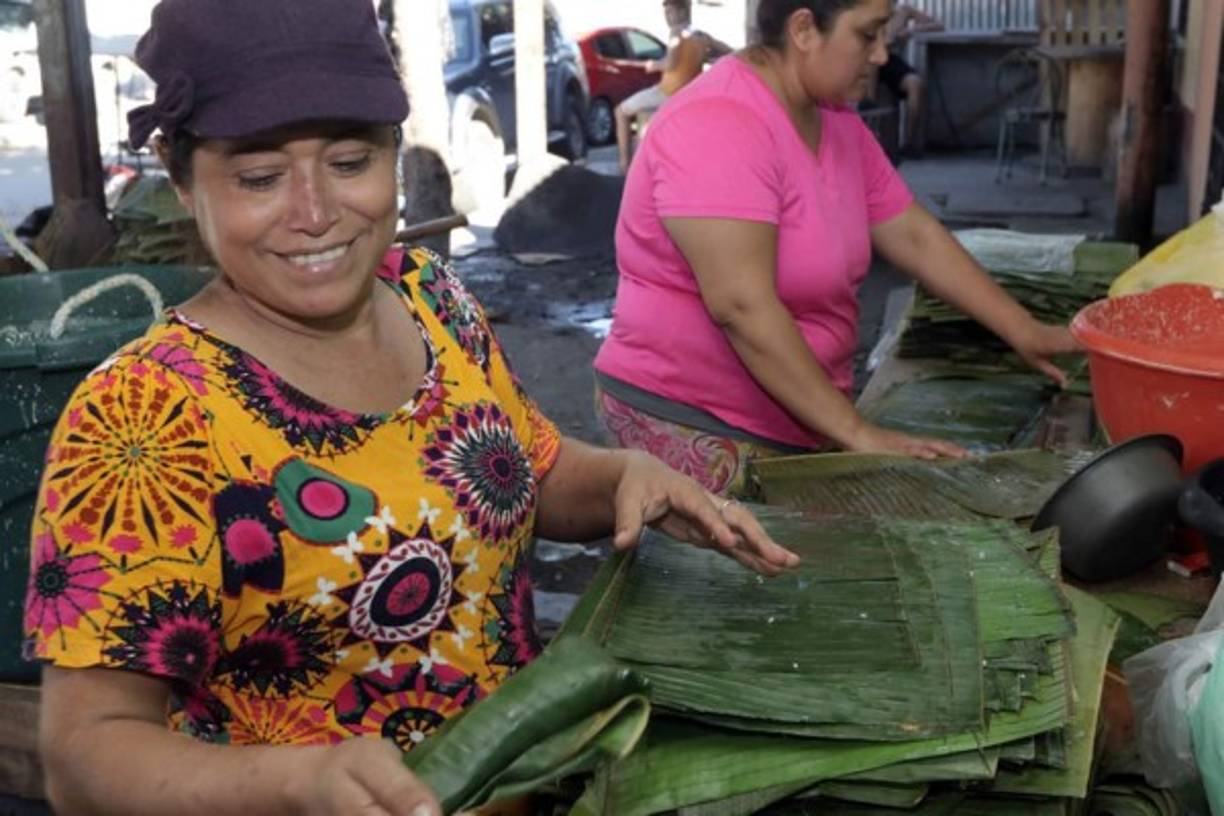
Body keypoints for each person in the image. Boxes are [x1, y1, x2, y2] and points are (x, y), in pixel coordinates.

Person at [22, 1, 798, 814]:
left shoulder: (429, 296)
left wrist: (623, 479)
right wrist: (299, 783)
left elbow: (526, 472)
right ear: (182, 182)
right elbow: (84, 755)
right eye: (258, 177)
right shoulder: (143, 414)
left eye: (351, 162)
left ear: (394, 152)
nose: (316, 213)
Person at [592, 0, 1079, 497]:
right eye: (868, 35)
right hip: (695, 419)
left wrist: (1025, 330)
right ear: (804, 30)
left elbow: (912, 233)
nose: (882, 55)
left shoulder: (836, 122)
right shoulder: (718, 124)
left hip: (802, 416)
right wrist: (857, 432)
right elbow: (741, 306)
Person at [615, 0, 731, 172]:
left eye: (670, 12)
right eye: (666, 13)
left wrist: (653, 65)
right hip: (690, 94)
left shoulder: (676, 33)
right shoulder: (702, 37)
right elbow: (730, 52)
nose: (668, 17)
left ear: (683, 11)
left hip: (666, 94)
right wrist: (707, 58)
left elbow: (670, 63)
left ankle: (624, 166)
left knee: (620, 111)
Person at [876, 3, 942, 155]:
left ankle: (908, 143)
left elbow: (938, 25)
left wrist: (911, 30)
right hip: (868, 60)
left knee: (915, 84)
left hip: (891, 61)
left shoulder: (903, 11)